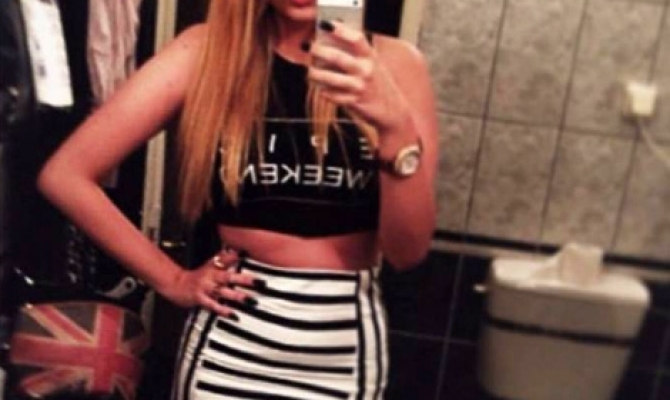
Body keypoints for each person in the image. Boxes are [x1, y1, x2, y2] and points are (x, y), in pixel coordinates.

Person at [37, 0, 438, 398]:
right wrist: (173, 280)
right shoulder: (205, 54)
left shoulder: (396, 65)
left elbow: (407, 252)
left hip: (342, 354)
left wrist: (396, 128)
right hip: (228, 346)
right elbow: (66, 174)